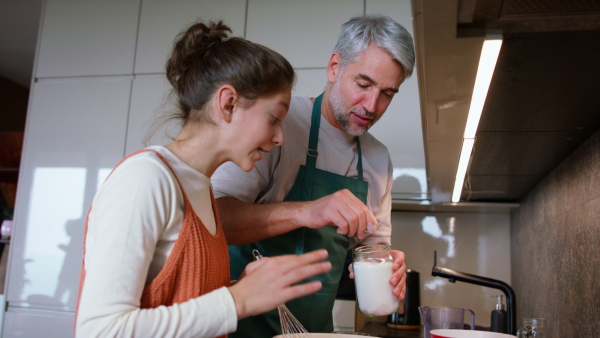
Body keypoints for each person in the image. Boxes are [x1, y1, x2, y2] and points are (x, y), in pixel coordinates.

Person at [75, 21, 332, 338]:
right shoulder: (146, 179)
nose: (279, 137)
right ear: (228, 103)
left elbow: (180, 301)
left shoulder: (201, 191)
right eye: (274, 118)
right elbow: (101, 330)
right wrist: (237, 299)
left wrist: (243, 288)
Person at [211, 14, 416, 336]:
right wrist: (308, 211)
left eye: (388, 94)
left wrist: (389, 263)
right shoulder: (278, 121)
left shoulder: (378, 157)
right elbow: (216, 220)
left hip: (314, 329)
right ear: (334, 67)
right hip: (239, 326)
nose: (372, 105)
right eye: (363, 85)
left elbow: (374, 246)